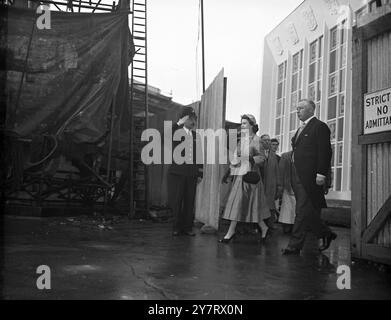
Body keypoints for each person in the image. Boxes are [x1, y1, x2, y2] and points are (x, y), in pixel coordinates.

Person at [282, 99, 337, 255]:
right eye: (297, 108)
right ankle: (326, 233)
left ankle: (294, 245)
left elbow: (325, 152)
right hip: (296, 175)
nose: (297, 111)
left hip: (310, 176)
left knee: (301, 210)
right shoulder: (300, 128)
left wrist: (321, 174)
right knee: (307, 211)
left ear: (311, 110)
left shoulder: (320, 127)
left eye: (301, 108)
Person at [220, 114, 270, 243]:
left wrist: (249, 159)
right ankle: (234, 232)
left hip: (251, 177)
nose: (242, 126)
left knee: (250, 204)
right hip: (240, 176)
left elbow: (262, 158)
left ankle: (233, 232)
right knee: (239, 204)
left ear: (252, 125)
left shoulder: (257, 140)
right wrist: (229, 172)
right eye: (241, 123)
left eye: (245, 123)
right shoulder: (241, 141)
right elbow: (236, 158)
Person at [168, 107, 203, 236]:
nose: (193, 122)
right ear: (184, 119)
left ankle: (187, 228)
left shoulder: (196, 136)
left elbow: (199, 155)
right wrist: (178, 123)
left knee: (189, 201)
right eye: (191, 119)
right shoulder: (176, 132)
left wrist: (200, 173)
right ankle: (176, 227)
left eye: (194, 119)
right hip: (177, 172)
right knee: (177, 201)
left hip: (191, 173)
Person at [260, 134, 279, 229]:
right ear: (261, 142)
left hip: (271, 185)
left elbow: (277, 172)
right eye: (265, 140)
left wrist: (278, 186)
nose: (267, 142)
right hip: (260, 184)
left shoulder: (274, 156)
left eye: (268, 140)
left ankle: (269, 226)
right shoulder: (258, 153)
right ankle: (259, 227)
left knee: (271, 206)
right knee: (260, 205)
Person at [277, 151, 296, 234]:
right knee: (287, 207)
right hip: (288, 185)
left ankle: (295, 226)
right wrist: (280, 185)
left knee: (297, 207)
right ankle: (287, 226)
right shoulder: (285, 156)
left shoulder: (306, 154)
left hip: (301, 186)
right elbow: (281, 171)